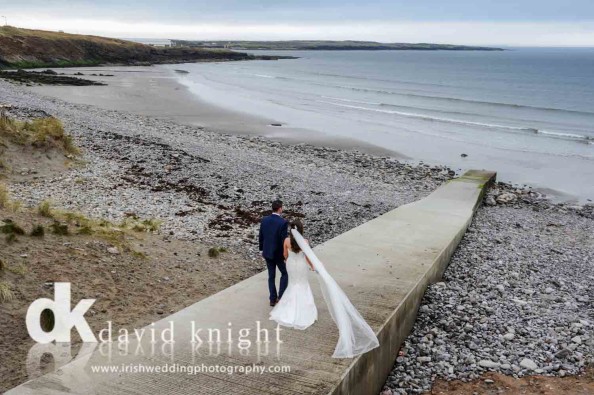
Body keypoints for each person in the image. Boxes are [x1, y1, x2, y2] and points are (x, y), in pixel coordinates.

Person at [269, 220, 317, 329]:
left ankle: (288, 308)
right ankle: (304, 310)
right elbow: (307, 256)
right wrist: (313, 266)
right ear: (301, 230)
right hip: (301, 265)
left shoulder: (286, 240)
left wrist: (289, 260)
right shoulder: (304, 242)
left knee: (292, 284)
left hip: (290, 264)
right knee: (302, 284)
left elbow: (285, 255)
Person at [259, 200, 289, 306]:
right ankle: (281, 297)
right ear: (280, 208)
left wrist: (261, 249)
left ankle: (272, 299)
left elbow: (261, 236)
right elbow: (283, 240)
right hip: (278, 253)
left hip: (267, 252)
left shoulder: (264, 220)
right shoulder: (283, 222)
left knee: (271, 276)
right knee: (285, 273)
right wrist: (286, 254)